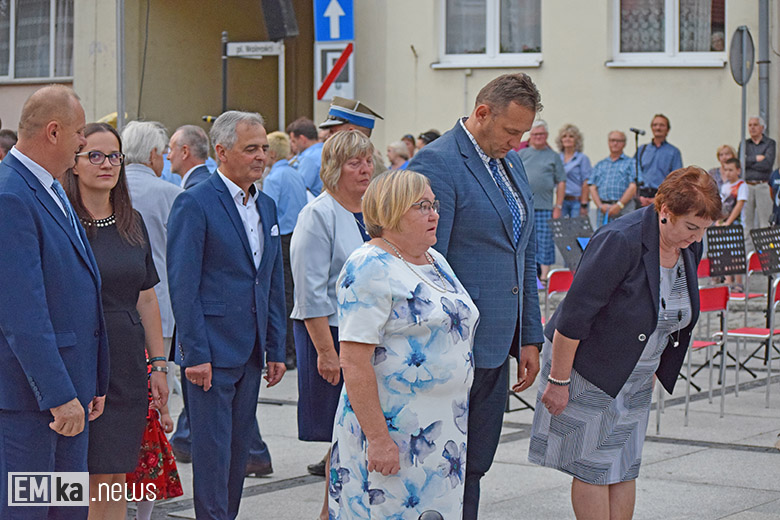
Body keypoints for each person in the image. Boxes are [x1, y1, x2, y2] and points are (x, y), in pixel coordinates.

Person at [529, 167, 721, 520]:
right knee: (592, 467)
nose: (696, 238)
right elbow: (574, 316)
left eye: (703, 229)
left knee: (623, 465)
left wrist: (653, 365)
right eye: (691, 227)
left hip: (635, 373)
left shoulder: (687, 243)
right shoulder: (621, 239)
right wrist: (558, 381)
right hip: (587, 369)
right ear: (665, 211)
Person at [409, 72, 544, 520]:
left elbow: (522, 250)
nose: (516, 141)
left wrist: (530, 335)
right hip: (455, 346)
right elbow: (428, 263)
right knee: (448, 463)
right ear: (481, 113)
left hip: (497, 341)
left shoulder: (510, 162)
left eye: (522, 133)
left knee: (477, 462)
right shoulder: (438, 163)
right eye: (510, 131)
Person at [329, 169, 479, 519]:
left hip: (441, 430)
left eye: (434, 204)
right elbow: (353, 362)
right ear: (391, 210)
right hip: (394, 432)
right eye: (422, 206)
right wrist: (379, 439)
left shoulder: (434, 259)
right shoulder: (368, 266)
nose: (434, 213)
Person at [167, 110, 287, 519]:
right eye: (250, 148)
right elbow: (183, 286)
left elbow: (271, 282)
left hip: (251, 350)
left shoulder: (266, 205)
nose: (261, 157)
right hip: (212, 353)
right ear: (221, 152)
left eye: (265, 149)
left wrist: (275, 347)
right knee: (213, 453)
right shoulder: (195, 202)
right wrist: (194, 352)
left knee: (238, 452)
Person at [0, 85, 109, 520]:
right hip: (35, 402)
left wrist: (89, 381)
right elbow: (22, 313)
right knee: (28, 512)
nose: (85, 142)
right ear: (53, 131)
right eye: (80, 132)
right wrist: (60, 394)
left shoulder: (51, 187)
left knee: (65, 512)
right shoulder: (12, 195)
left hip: (69, 392)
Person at [63, 122, 169, 520]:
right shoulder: (63, 221)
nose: (106, 164)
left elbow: (146, 295)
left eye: (114, 156)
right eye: (94, 155)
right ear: (73, 163)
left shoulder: (132, 220)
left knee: (115, 473)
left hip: (127, 360)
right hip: (82, 358)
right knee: (81, 475)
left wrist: (158, 365)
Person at [290, 130, 374, 519]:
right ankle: (329, 513)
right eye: (354, 162)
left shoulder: (371, 211)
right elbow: (309, 293)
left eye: (368, 160)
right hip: (331, 334)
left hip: (367, 335)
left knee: (359, 432)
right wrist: (326, 352)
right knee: (339, 435)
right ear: (333, 168)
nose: (365, 169)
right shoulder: (317, 215)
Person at [123, 121, 183, 363]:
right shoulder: (172, 195)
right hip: (159, 304)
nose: (166, 159)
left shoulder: (105, 189)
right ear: (152, 154)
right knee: (159, 384)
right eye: (163, 153)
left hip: (114, 306)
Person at [263, 130, 308, 369]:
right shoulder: (295, 174)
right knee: (293, 294)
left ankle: (285, 350)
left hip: (280, 238)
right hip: (297, 237)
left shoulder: (273, 179)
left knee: (280, 296)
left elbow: (267, 213)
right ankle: (293, 350)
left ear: (270, 153)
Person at [518, 119, 566, 282]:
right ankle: (529, 275)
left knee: (544, 241)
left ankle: (544, 276)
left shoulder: (553, 156)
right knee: (525, 241)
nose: (538, 137)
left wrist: (558, 205)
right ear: (530, 136)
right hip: (524, 206)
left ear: (546, 135)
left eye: (541, 134)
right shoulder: (521, 154)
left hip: (545, 207)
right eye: (535, 134)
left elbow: (561, 181)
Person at [740, 116, 777, 250]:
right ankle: (749, 260)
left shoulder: (770, 143)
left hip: (763, 185)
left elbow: (767, 164)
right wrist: (756, 158)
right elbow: (742, 164)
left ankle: (766, 259)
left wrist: (749, 161)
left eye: (755, 125)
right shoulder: (744, 144)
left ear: (762, 127)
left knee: (764, 224)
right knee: (747, 225)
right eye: (750, 125)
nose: (752, 128)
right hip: (748, 185)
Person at [589, 131, 637, 227]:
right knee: (603, 239)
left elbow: (633, 186)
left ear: (624, 144)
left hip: (624, 210)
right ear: (608, 142)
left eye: (618, 141)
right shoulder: (600, 164)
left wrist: (619, 205)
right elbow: (592, 187)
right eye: (612, 140)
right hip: (603, 211)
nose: (615, 143)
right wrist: (600, 206)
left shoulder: (631, 163)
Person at [636, 114, 682, 207]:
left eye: (662, 125)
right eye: (655, 125)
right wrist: (639, 196)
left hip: (662, 197)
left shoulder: (673, 152)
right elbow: (635, 171)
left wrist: (659, 198)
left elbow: (676, 178)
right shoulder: (642, 149)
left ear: (668, 130)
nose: (658, 128)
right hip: (641, 198)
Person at [556, 124, 591, 218]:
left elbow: (586, 182)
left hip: (577, 202)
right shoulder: (557, 158)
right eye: (564, 136)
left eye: (571, 136)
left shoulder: (582, 158)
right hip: (562, 202)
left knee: (576, 232)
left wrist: (584, 204)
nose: (567, 139)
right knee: (561, 231)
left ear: (576, 140)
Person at [287, 117, 324, 197]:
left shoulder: (309, 158)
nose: (292, 145)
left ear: (302, 139)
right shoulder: (326, 151)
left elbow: (298, 188)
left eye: (294, 141)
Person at [168, 124, 212, 189]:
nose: (168, 157)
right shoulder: (211, 183)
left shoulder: (194, 189)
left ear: (185, 152)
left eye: (171, 150)